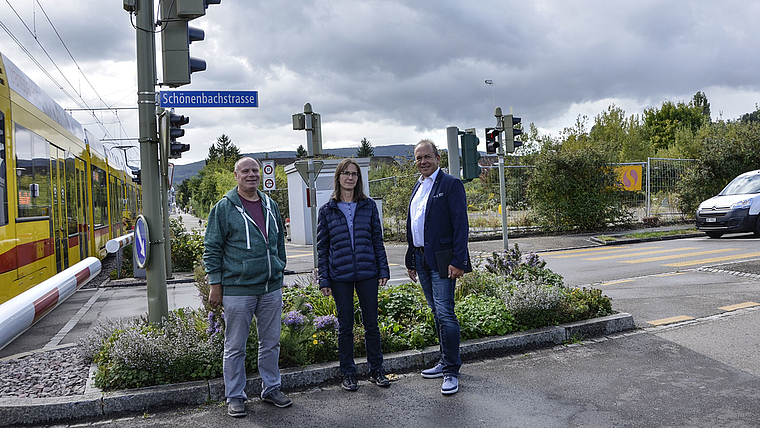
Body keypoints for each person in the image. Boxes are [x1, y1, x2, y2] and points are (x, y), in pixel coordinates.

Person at [203, 157, 291, 418]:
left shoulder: (270, 204)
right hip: (238, 288)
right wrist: (215, 284)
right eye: (245, 171)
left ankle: (271, 388)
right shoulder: (224, 208)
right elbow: (212, 248)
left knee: (271, 342)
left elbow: (278, 242)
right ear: (236, 175)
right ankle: (235, 396)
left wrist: (279, 266)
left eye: (255, 170)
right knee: (235, 346)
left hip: (270, 287)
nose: (251, 175)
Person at [317, 158, 391, 392]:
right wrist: (324, 279)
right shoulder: (327, 210)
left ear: (358, 179)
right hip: (340, 275)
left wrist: (383, 269)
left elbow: (377, 240)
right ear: (338, 177)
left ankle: (376, 370)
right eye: (346, 173)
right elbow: (323, 247)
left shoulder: (368, 206)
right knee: (345, 326)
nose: (350, 177)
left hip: (368, 273)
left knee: (371, 324)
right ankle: (348, 373)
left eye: (354, 174)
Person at [405, 139, 470, 395]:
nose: (423, 162)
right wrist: (411, 259)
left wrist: (458, 261)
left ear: (438, 158)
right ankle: (444, 361)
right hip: (421, 259)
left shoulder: (451, 184)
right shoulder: (418, 186)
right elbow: (415, 224)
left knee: (445, 313)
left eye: (427, 157)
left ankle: (451, 371)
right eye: (419, 158)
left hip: (444, 258)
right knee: (435, 311)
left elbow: (460, 224)